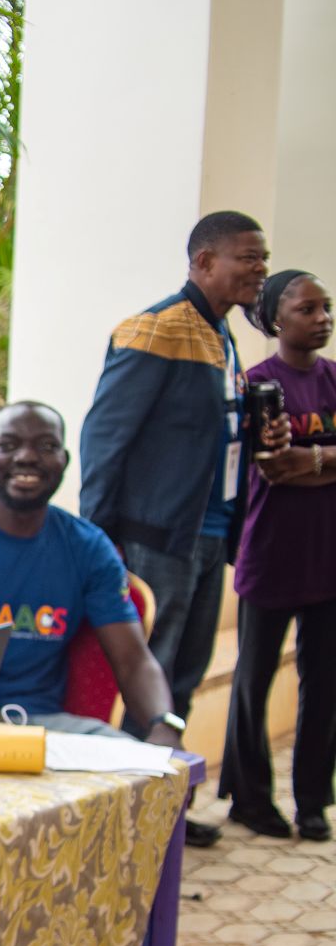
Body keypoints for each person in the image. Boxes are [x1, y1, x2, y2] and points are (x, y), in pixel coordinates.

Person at [80, 210, 269, 844]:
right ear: (204, 262)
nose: (260, 270)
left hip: (208, 536)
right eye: (248, 257)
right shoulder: (155, 329)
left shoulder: (223, 335)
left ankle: (165, 812)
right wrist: (96, 543)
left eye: (263, 259)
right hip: (154, 541)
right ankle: (120, 822)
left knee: (182, 676)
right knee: (147, 678)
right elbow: (105, 439)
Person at [0, 402, 185, 748]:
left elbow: (133, 661)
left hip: (44, 725)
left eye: (46, 446)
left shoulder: (88, 547)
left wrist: (165, 725)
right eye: (8, 445)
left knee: (141, 767)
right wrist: (14, 746)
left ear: (64, 461)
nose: (26, 457)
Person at [220, 270, 336, 841]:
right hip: (270, 554)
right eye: (307, 309)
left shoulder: (335, 378)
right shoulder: (257, 384)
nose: (322, 319)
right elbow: (273, 469)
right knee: (253, 680)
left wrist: (311, 461)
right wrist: (326, 462)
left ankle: (312, 801)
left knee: (325, 684)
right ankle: (250, 798)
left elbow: (295, 464)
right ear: (275, 319)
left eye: (326, 308)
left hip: (329, 557)